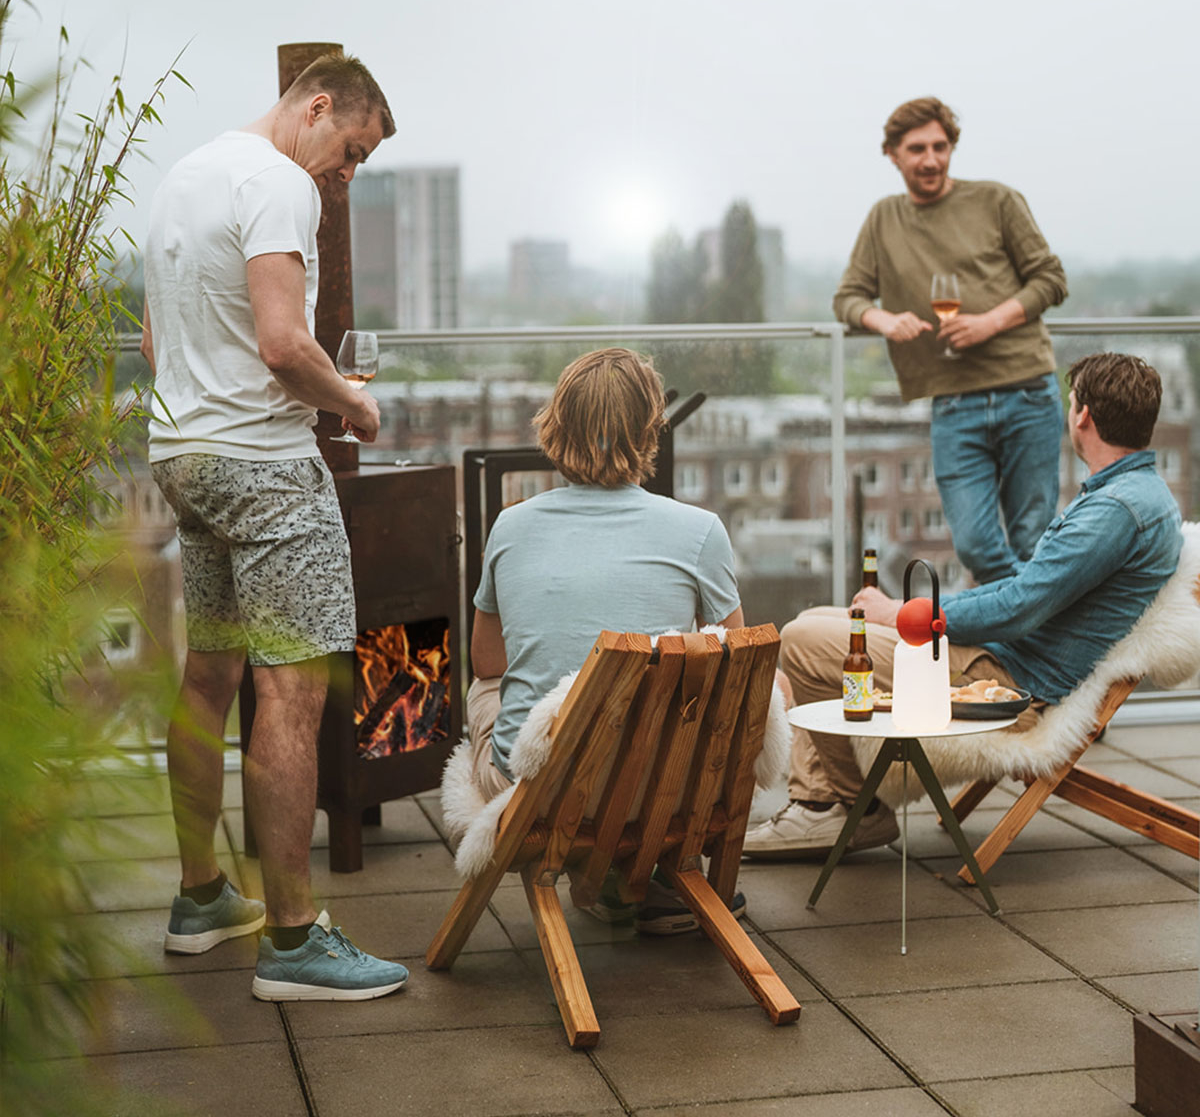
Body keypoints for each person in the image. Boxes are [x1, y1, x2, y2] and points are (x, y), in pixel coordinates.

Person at [142, 52, 408, 1000]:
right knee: (290, 696)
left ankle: (201, 899)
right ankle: (293, 941)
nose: (346, 174)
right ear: (318, 106)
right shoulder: (280, 184)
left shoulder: (182, 179)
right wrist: (354, 406)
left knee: (208, 675)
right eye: (352, 151)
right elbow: (285, 344)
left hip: (184, 457)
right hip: (264, 473)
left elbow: (152, 342)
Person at [744, 353, 1181, 858]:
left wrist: (907, 616)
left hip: (1008, 681)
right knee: (819, 620)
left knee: (802, 640)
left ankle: (843, 808)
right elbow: (1025, 588)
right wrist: (911, 610)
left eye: (1071, 402)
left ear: (1082, 416)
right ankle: (824, 801)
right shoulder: (1138, 495)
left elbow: (1020, 605)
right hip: (1005, 655)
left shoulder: (1114, 512)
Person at [468, 348, 745, 932]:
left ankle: (608, 873)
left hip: (539, 784)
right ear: (650, 430)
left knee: (485, 687)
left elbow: (488, 660)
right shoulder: (700, 531)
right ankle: (644, 872)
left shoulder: (509, 525)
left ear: (555, 425)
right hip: (660, 787)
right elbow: (736, 676)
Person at [835, 97, 1069, 584]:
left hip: (1026, 388)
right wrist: (882, 320)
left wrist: (990, 323)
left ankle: (1019, 652)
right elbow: (849, 298)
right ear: (892, 155)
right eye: (917, 148)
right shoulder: (884, 219)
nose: (931, 159)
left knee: (1033, 539)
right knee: (977, 546)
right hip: (952, 404)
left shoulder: (997, 200)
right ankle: (1024, 614)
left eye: (940, 146)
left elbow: (1050, 279)